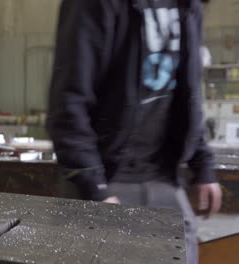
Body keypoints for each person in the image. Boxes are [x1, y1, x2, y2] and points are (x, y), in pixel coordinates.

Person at [47, 1, 222, 264]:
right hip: (105, 182)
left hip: (164, 179)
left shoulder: (187, 5)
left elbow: (188, 96)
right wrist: (95, 188)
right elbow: (69, 101)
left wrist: (203, 164)